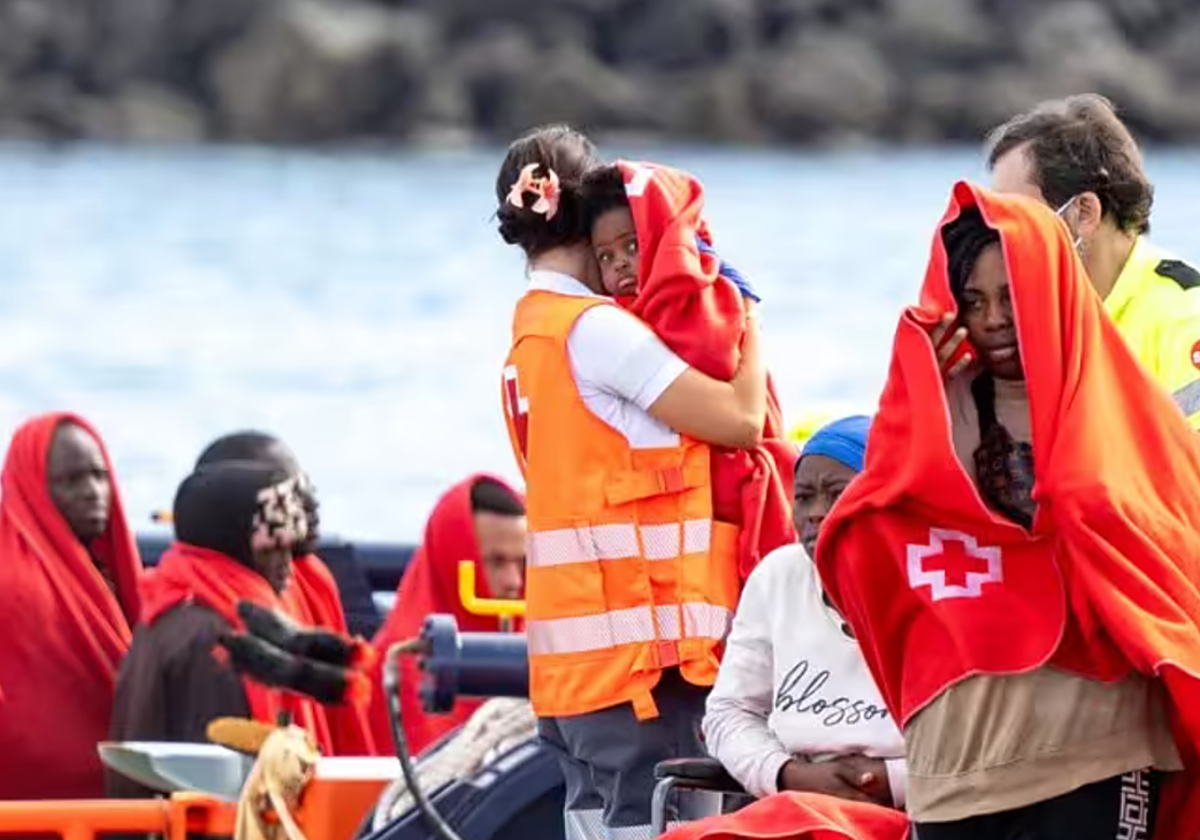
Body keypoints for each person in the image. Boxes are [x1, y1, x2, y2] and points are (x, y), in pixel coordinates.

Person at [818, 182, 1200, 839]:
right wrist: (918, 410)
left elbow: (1172, 559)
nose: (992, 318)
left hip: (1099, 746)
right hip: (959, 756)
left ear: (1054, 290)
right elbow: (864, 544)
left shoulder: (1132, 412)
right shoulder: (931, 418)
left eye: (1011, 297)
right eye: (973, 300)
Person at [497, 123, 768, 840]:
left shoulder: (527, 342)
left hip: (572, 677)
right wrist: (746, 315)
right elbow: (740, 420)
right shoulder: (598, 333)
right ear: (586, 219)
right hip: (648, 674)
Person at [581, 161, 796, 578]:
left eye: (632, 245)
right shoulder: (606, 325)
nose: (621, 264)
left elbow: (730, 394)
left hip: (721, 498)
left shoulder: (699, 302)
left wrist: (747, 314)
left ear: (665, 241)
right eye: (605, 256)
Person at [935, 94, 1200, 425]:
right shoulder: (1017, 315)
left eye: (1018, 216)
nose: (1000, 239)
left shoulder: (1185, 320)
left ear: (1084, 212)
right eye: (995, 219)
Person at [109, 461, 357, 796]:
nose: (288, 565)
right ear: (235, 546)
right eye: (274, 548)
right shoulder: (219, 639)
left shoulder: (170, 607)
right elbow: (223, 790)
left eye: (291, 549)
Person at [703, 415, 905, 811]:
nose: (815, 512)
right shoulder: (779, 575)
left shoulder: (934, 579)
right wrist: (786, 774)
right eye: (804, 496)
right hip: (796, 800)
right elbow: (729, 713)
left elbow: (993, 743)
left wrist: (896, 782)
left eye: (837, 493)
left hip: (920, 808)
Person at [193, 430, 375, 755]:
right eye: (291, 492)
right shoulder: (214, 618)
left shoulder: (311, 578)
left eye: (306, 485)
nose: (311, 501)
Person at [0, 413, 142, 799]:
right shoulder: (11, 583)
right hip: (34, 809)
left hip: (114, 802)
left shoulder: (107, 577)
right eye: (70, 480)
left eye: (100, 475)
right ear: (31, 488)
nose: (93, 492)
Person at [368, 473, 527, 756]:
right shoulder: (394, 664)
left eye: (522, 562)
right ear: (454, 557)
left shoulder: (545, 645)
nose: (514, 581)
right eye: (496, 561)